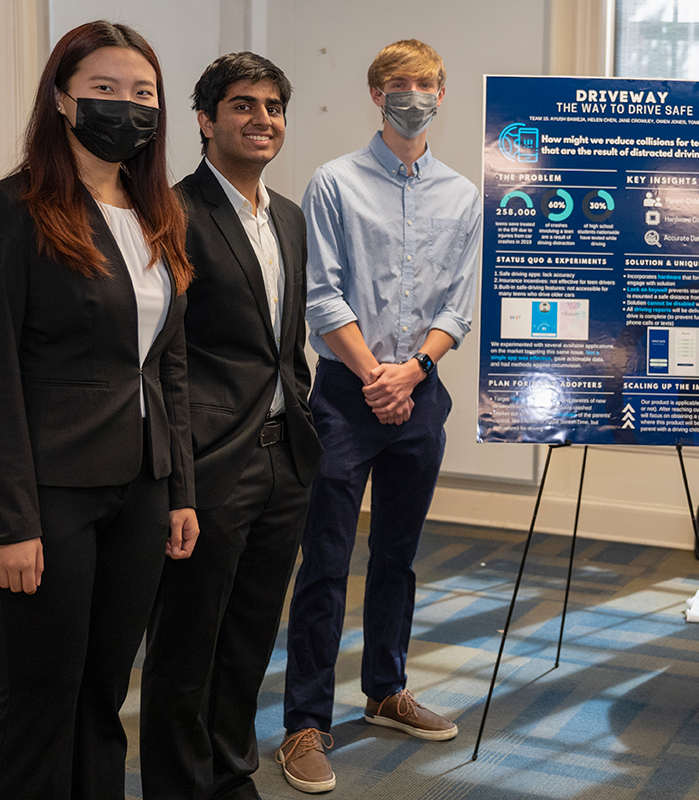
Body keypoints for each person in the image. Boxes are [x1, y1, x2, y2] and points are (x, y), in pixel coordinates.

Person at [275, 39, 480, 793]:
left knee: (398, 553)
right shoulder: (333, 183)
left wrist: (414, 371)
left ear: (441, 92)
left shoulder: (461, 194)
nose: (414, 94)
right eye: (400, 84)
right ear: (376, 95)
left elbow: (457, 304)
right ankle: (304, 725)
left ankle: (386, 690)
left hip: (419, 394)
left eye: (426, 82)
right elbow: (321, 295)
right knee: (326, 561)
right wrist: (375, 376)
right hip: (344, 396)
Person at [0, 20, 197, 799]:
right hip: (51, 494)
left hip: (141, 486)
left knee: (106, 689)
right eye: (105, 91)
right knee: (41, 692)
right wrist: (11, 519)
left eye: (142, 93)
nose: (127, 106)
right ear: (60, 100)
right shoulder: (16, 210)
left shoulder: (157, 212)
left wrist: (179, 487)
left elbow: (168, 363)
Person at [139, 53, 322, 800]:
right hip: (210, 466)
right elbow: (164, 358)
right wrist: (179, 478)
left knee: (248, 637)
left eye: (274, 106)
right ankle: (181, 786)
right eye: (243, 105)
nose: (262, 119)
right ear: (206, 120)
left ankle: (229, 772)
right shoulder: (172, 212)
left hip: (284, 462)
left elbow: (287, 343)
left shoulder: (288, 215)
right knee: (187, 647)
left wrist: (302, 421)